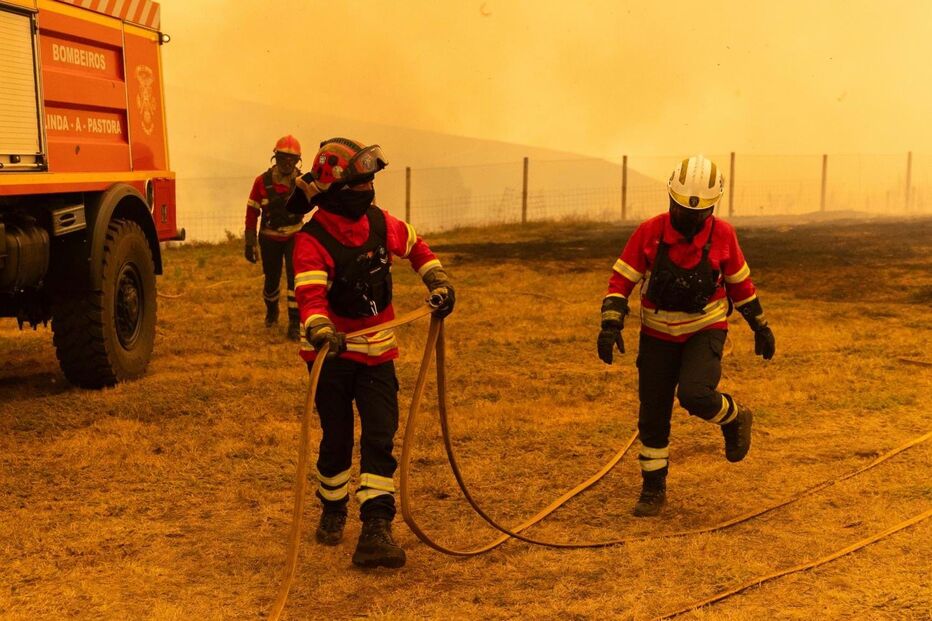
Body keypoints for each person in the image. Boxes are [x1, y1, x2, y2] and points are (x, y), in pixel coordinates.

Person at [288, 137, 455, 568]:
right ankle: (332, 506)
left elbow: (417, 246)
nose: (367, 191)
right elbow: (309, 298)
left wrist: (437, 281)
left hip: (378, 352)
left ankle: (376, 526)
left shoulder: (380, 224)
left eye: (369, 183)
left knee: (380, 436)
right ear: (336, 191)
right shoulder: (311, 240)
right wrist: (322, 329)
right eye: (359, 184)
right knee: (337, 439)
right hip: (331, 358)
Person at [597, 154, 776, 517]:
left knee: (695, 395)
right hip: (657, 333)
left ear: (711, 210)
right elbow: (622, 280)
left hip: (704, 329)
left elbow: (740, 283)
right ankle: (652, 489)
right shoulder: (649, 231)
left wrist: (760, 325)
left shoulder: (724, 235)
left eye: (697, 214)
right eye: (680, 210)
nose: (687, 219)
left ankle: (734, 417)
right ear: (670, 199)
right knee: (653, 413)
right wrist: (610, 323)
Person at [244, 135, 305, 341]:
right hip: (269, 238)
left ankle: (295, 324)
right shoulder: (262, 182)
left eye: (292, 159)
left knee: (294, 280)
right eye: (283, 158)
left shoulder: (303, 182)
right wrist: (250, 241)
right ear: (275, 158)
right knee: (271, 280)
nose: (287, 163)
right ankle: (272, 313)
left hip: (295, 236)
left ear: (297, 161)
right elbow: (252, 211)